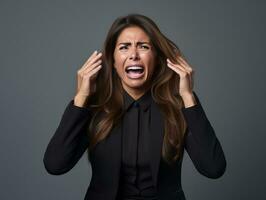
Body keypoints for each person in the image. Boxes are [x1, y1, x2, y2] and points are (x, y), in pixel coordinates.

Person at [43, 13, 226, 200]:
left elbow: (213, 168)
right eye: (124, 47)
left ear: (156, 58)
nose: (133, 55)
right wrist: (81, 97)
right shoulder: (95, 108)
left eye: (144, 47)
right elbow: (55, 165)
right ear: (113, 61)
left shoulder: (177, 107)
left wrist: (187, 96)